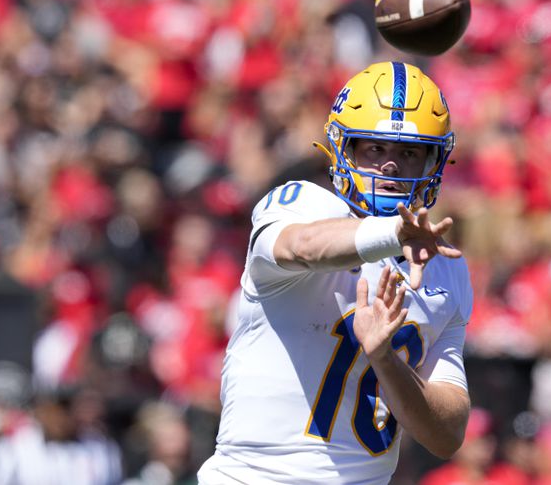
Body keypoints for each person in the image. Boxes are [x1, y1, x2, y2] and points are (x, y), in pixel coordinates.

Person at [197, 61, 473, 485]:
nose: (391, 166)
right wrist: (394, 232)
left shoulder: (446, 270)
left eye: (409, 152)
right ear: (343, 150)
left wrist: (386, 359)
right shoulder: (302, 203)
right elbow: (301, 246)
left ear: (433, 161)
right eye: (375, 149)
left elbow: (447, 434)